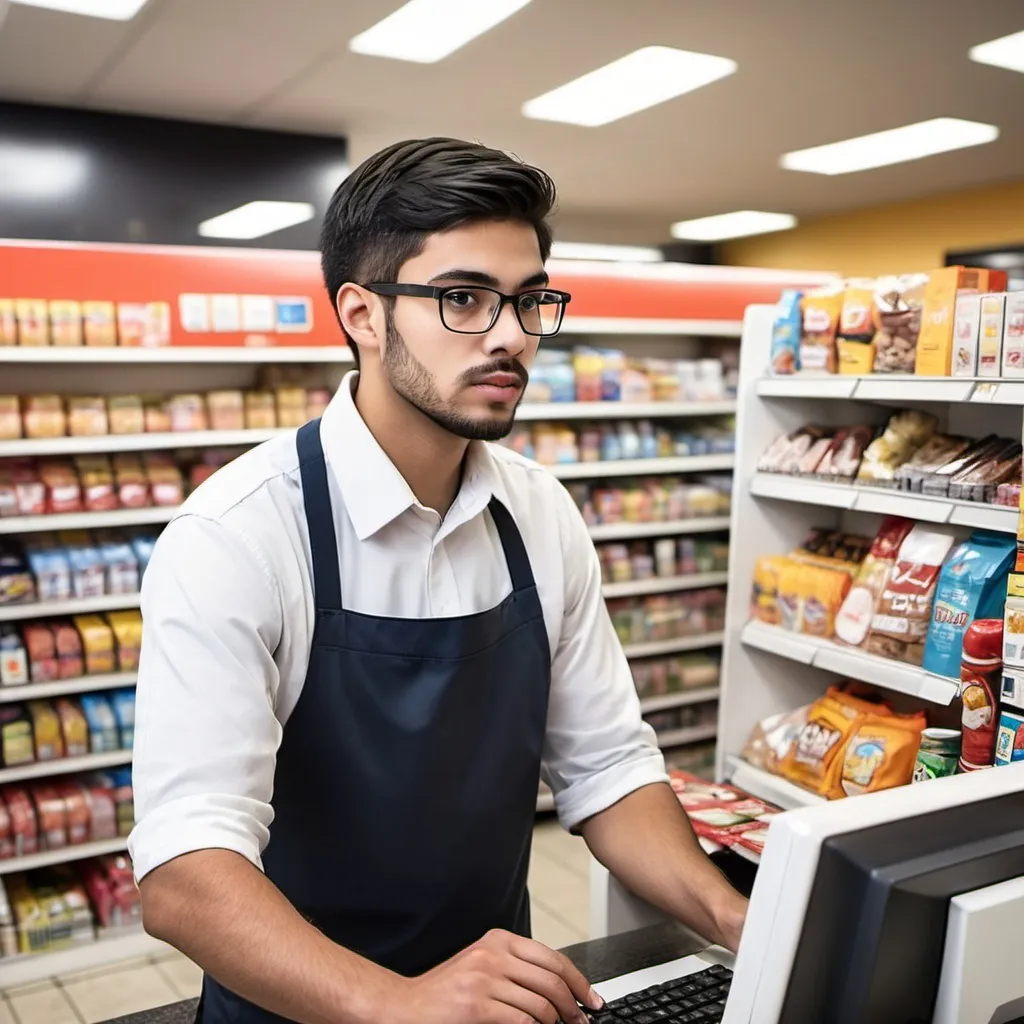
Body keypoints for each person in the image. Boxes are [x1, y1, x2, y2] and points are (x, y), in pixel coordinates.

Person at [131, 137, 748, 1024]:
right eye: (463, 298)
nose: (511, 336)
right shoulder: (238, 535)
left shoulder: (541, 514)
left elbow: (607, 768)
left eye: (530, 299)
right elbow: (185, 872)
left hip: (502, 1004)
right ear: (362, 315)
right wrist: (398, 1005)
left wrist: (739, 917)